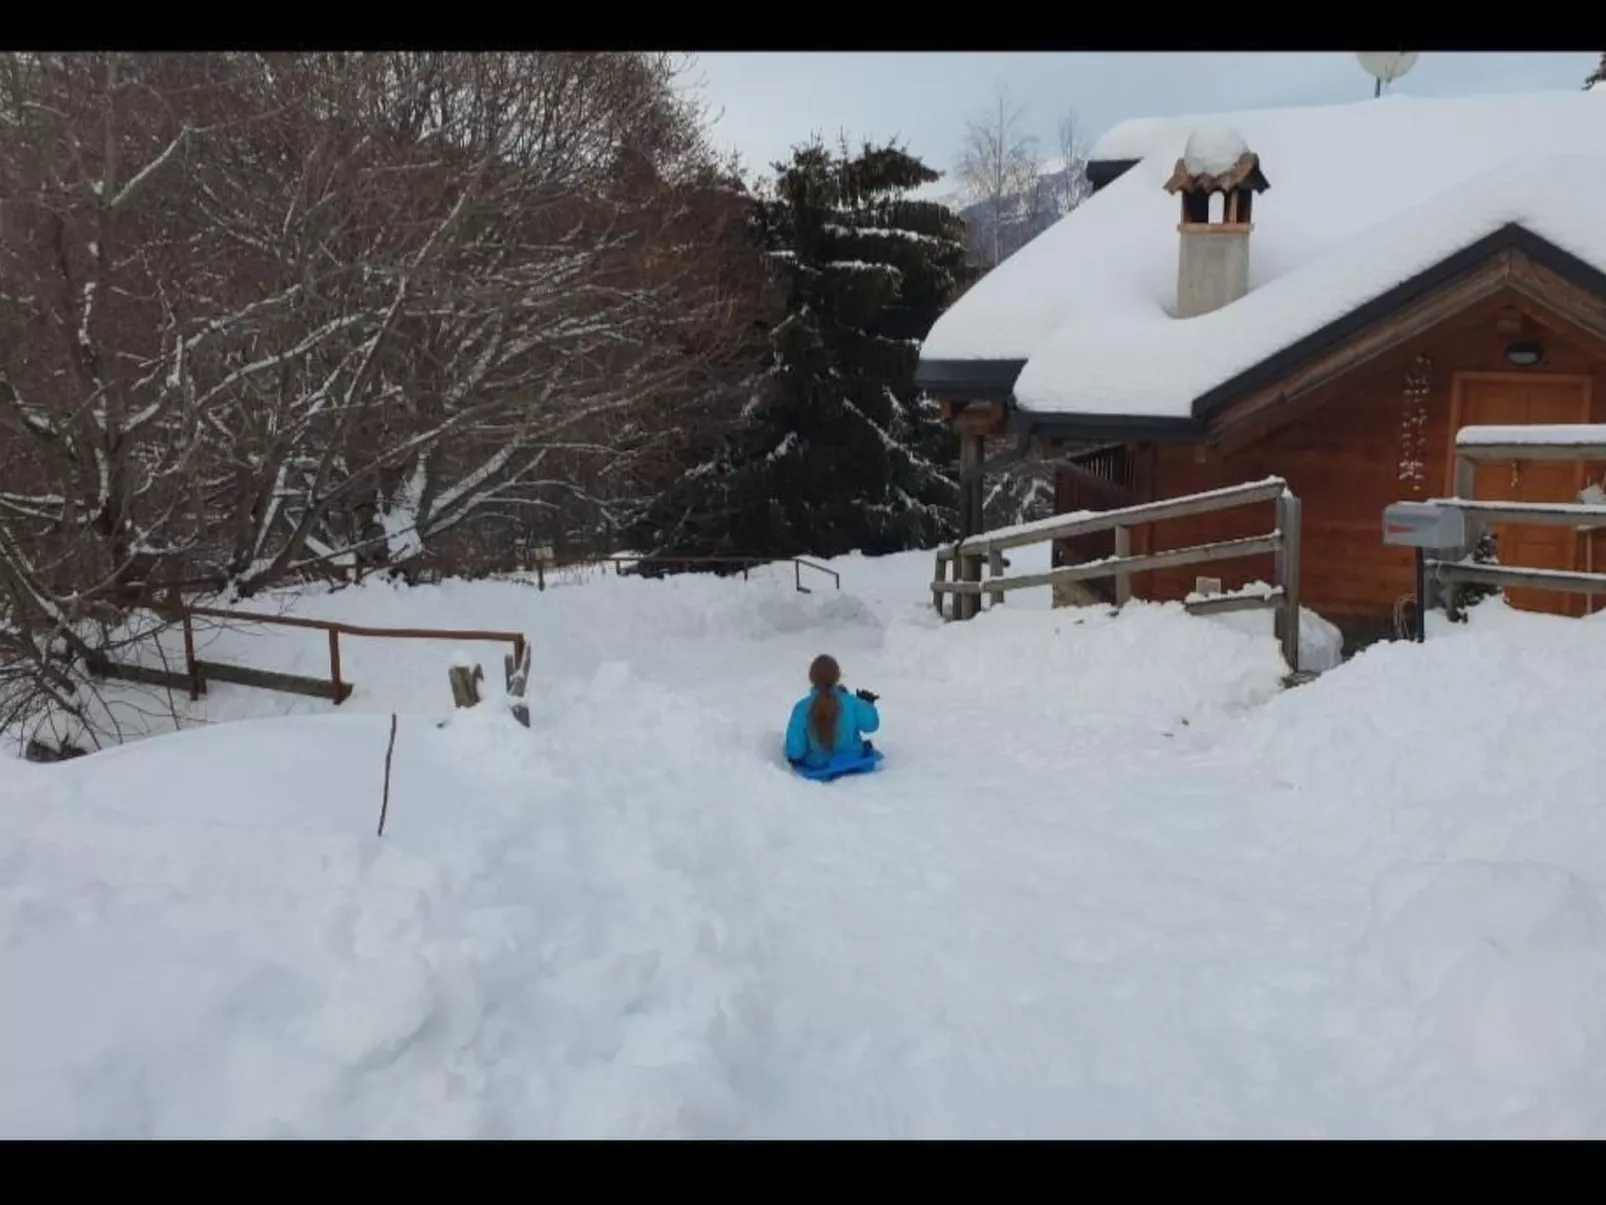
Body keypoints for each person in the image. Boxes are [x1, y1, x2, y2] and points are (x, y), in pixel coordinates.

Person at [785, 653, 881, 775]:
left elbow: (795, 751)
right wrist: (868, 705)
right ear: (838, 676)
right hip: (853, 758)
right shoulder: (851, 702)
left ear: (811, 678)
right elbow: (871, 725)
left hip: (818, 764)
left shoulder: (802, 708)